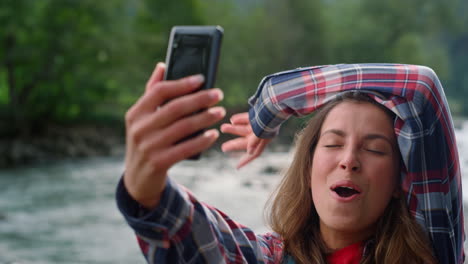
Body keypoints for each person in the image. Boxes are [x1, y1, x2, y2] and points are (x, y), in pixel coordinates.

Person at [116, 63, 464, 263]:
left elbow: (418, 87)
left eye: (374, 150)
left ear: (400, 183)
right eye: (333, 143)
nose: (348, 160)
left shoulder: (432, 249)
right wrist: (145, 189)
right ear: (308, 166)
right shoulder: (270, 256)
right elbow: (193, 233)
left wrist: (269, 107)